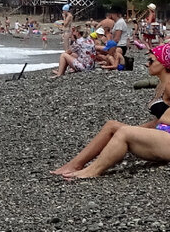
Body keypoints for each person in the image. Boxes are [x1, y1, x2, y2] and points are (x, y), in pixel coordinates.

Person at [55, 44, 170, 179]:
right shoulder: (162, 84)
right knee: (112, 125)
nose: (146, 64)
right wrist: (142, 129)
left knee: (124, 132)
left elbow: (163, 119)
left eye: (151, 61)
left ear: (164, 63)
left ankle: (92, 171)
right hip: (162, 133)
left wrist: (152, 125)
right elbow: (159, 118)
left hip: (166, 137)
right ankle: (75, 164)